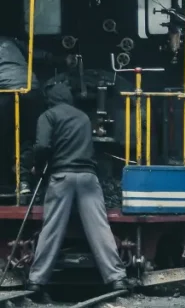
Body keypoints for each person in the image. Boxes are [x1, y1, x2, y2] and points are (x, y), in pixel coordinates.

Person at [26, 81, 127, 297]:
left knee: (52, 228)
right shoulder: (82, 117)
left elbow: (42, 146)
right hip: (88, 177)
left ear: (49, 100)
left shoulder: (48, 116)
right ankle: (117, 278)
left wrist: (37, 165)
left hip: (62, 176)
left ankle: (36, 281)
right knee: (100, 227)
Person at [0, 37, 43, 195]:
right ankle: (24, 181)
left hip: (5, 90)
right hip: (31, 87)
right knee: (26, 136)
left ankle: (6, 177)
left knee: (6, 136)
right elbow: (35, 53)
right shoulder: (10, 41)